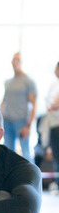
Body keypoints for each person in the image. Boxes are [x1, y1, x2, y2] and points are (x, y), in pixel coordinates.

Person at [0, 53, 37, 162]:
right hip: (7, 121)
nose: (15, 62)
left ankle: (31, 173)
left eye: (18, 60)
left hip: (21, 122)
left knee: (26, 153)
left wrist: (28, 125)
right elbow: (4, 101)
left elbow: (34, 104)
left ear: (21, 62)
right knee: (8, 153)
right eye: (13, 60)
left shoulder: (28, 81)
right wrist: (0, 118)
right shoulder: (8, 82)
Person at [45, 61, 59, 192]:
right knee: (56, 156)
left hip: (57, 124)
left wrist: (52, 105)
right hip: (54, 124)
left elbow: (54, 105)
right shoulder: (54, 85)